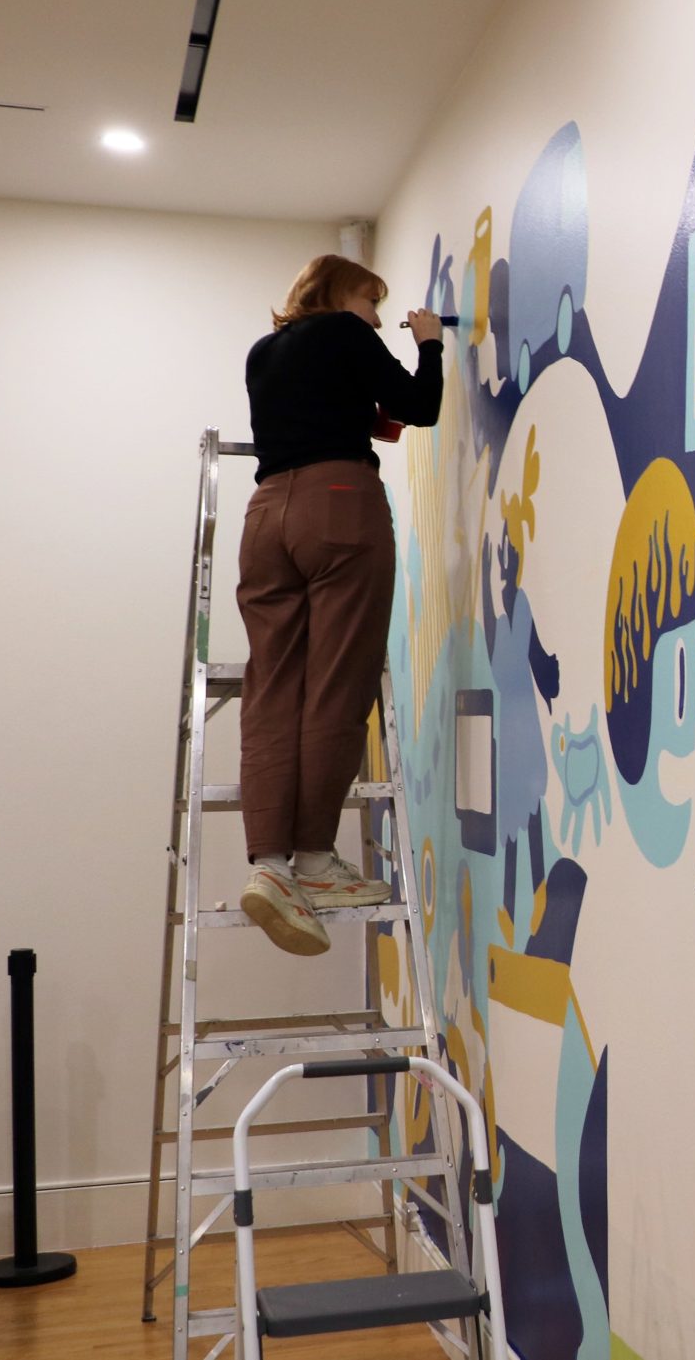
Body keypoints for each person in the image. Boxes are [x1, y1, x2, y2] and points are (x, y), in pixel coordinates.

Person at [235, 255, 443, 955]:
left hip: (266, 516)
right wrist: (430, 343)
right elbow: (423, 406)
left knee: (272, 686)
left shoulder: (265, 352)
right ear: (336, 294)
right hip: (338, 506)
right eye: (370, 301)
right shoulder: (345, 334)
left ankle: (269, 864)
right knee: (337, 681)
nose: (379, 317)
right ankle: (316, 862)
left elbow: (346, 409)